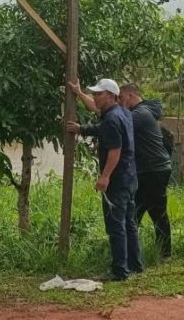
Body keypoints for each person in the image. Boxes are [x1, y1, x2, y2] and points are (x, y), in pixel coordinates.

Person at [66, 78, 142, 281]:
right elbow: (96, 114)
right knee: (128, 222)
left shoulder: (111, 120)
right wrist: (79, 93)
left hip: (117, 181)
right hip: (130, 177)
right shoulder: (122, 112)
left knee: (116, 225)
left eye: (99, 94)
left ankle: (119, 271)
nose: (95, 98)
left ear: (110, 96)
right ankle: (135, 265)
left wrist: (104, 177)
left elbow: (115, 152)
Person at [118, 83, 172, 259]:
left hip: (154, 170)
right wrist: (80, 93)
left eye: (121, 98)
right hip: (147, 170)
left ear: (131, 96)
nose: (119, 102)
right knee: (134, 211)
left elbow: (116, 125)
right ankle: (132, 253)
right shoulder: (141, 112)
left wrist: (84, 129)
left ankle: (164, 254)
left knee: (156, 211)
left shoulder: (139, 114)